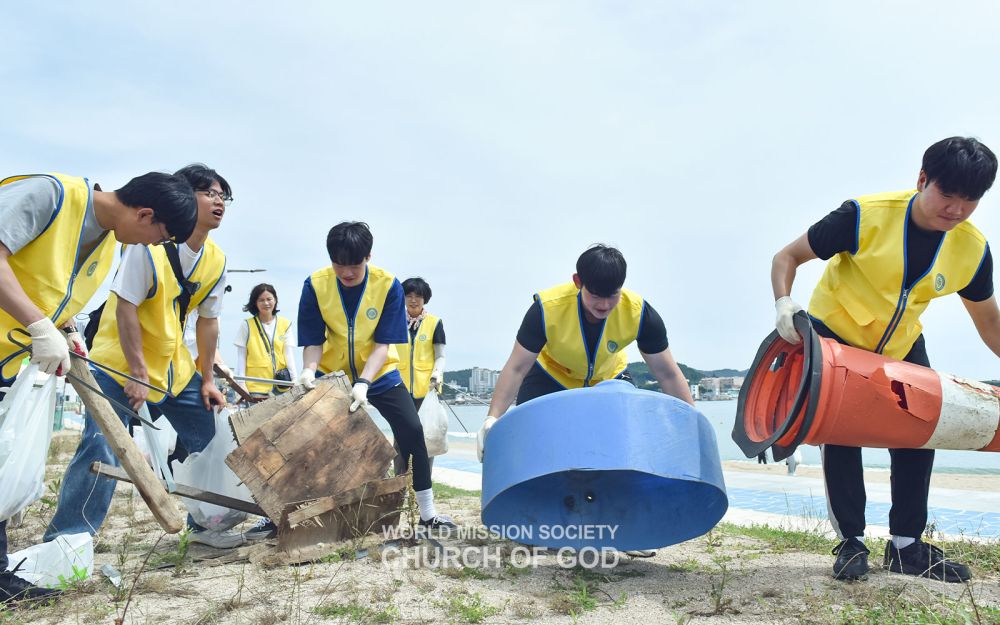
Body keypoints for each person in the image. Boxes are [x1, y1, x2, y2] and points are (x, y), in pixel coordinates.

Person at [771, 137, 999, 582]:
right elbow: (787, 256)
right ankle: (851, 542)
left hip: (902, 345)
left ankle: (907, 546)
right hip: (838, 337)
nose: (955, 209)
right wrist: (784, 302)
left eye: (969, 200)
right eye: (946, 195)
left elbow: (990, 323)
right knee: (842, 436)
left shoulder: (971, 249)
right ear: (921, 180)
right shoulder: (863, 216)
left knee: (922, 431)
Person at [0, 170, 197, 603]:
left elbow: (48, 287)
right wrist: (36, 323)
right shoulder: (50, 195)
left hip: (9, 358)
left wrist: (64, 326)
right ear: (145, 213)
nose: (149, 247)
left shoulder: (107, 239)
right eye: (156, 237)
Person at [44, 164, 241, 550]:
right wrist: (136, 371)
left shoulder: (216, 260)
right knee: (103, 443)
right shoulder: (148, 244)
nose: (218, 201)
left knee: (209, 436)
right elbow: (126, 307)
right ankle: (68, 541)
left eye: (223, 195)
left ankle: (207, 524)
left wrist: (206, 380)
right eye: (209, 193)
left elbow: (208, 323)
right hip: (119, 364)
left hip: (172, 368)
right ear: (184, 196)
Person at [295, 222, 456, 531]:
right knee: (314, 441)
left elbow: (383, 344)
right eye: (338, 265)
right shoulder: (315, 285)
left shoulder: (388, 285)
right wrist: (308, 370)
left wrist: (365, 382)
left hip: (380, 375)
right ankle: (299, 511)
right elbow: (313, 340)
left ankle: (427, 513)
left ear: (368, 256)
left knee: (411, 430)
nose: (346, 273)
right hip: (335, 376)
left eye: (354, 265)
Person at [478, 244, 694, 461]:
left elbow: (668, 373)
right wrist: (492, 419)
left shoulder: (639, 313)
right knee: (532, 444)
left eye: (613, 295)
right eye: (596, 295)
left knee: (624, 448)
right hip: (551, 376)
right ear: (578, 282)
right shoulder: (546, 309)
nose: (605, 304)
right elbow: (516, 368)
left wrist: (693, 423)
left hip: (609, 379)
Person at [393, 277, 446, 477]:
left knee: (426, 439)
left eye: (418, 296)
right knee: (400, 439)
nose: (413, 300)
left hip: (426, 391)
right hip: (399, 390)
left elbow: (440, 356)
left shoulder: (434, 323)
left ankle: (423, 484)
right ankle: (398, 485)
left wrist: (436, 374)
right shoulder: (394, 321)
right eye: (409, 295)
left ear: (425, 299)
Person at [235, 283, 298, 399]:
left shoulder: (285, 324)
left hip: (282, 385)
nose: (266, 303)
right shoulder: (246, 325)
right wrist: (241, 383)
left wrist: (295, 380)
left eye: (269, 299)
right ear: (255, 303)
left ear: (275, 300)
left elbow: (289, 354)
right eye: (261, 300)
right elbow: (241, 357)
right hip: (256, 387)